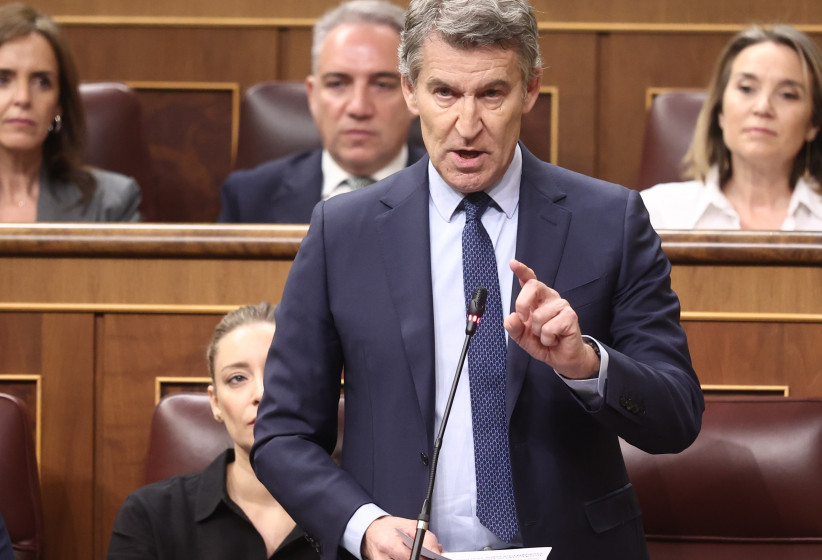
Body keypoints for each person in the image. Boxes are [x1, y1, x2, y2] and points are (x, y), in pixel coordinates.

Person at [251, 0, 703, 559]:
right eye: (444, 93)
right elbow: (282, 435)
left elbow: (677, 416)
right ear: (411, 91)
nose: (467, 126)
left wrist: (586, 363)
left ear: (531, 89)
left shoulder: (609, 220)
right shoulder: (342, 232)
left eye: (491, 93)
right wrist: (362, 526)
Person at [640, 25, 822, 396]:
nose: (763, 107)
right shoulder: (656, 210)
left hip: (815, 417)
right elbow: (625, 342)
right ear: (719, 112)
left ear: (813, 123)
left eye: (788, 94)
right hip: (682, 421)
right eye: (746, 88)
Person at [107, 304, 318, 559]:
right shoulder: (150, 514)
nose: (261, 393)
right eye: (237, 378)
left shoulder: (363, 515)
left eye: (279, 372)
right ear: (215, 402)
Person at [218, 0, 424, 223]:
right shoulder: (248, 197)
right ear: (312, 95)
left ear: (412, 94)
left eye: (382, 85)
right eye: (337, 84)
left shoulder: (453, 189)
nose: (358, 108)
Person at [0, 3, 141, 222]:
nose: (23, 98)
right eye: (3, 80)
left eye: (42, 82)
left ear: (59, 105)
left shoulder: (110, 203)